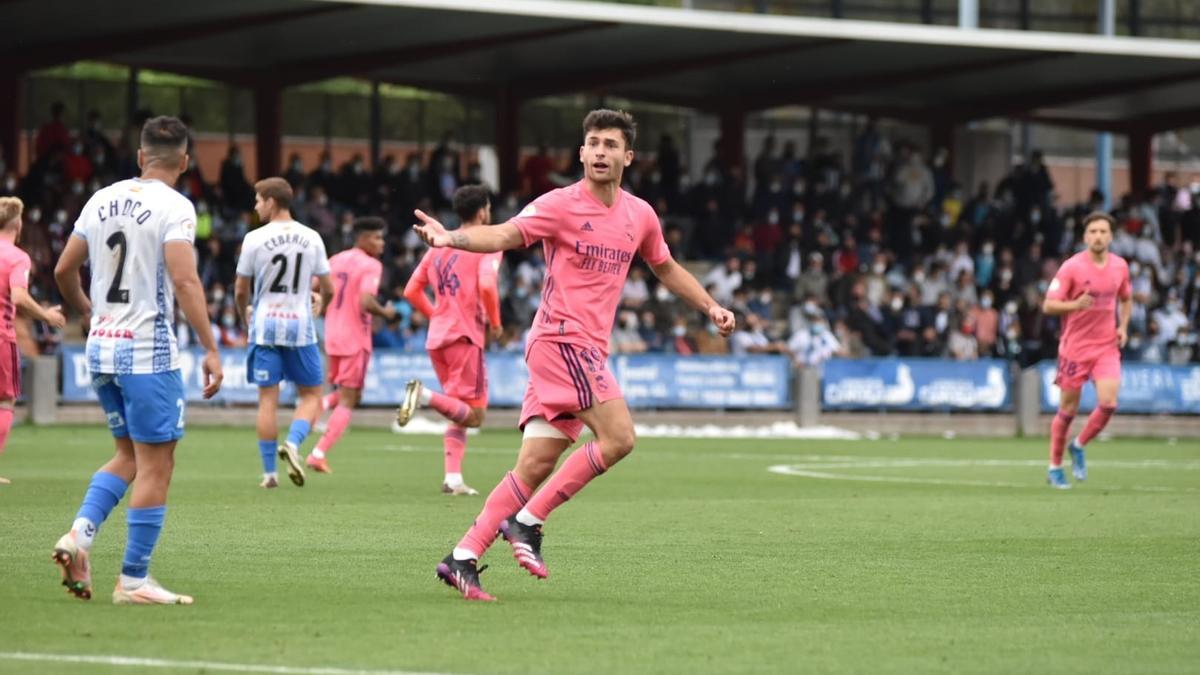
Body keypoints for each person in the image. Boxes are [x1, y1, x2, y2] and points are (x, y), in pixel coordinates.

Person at [412, 109, 735, 601]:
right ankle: (527, 523)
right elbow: (503, 234)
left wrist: (710, 305)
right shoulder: (559, 205)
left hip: (582, 349)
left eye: (610, 144)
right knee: (620, 438)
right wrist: (451, 238)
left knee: (535, 464)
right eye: (593, 143)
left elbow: (666, 268)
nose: (600, 152)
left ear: (628, 156)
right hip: (562, 342)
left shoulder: (639, 215)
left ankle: (462, 556)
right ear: (581, 152)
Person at [52, 116, 223, 604]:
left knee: (128, 455)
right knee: (156, 464)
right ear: (185, 162)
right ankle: (133, 580)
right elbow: (186, 281)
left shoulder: (101, 198)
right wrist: (211, 347)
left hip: (102, 347)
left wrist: (86, 310)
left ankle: (78, 539)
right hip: (148, 351)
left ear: (140, 157)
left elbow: (64, 268)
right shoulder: (177, 207)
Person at [397, 185, 502, 495]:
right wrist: (495, 324)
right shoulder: (486, 243)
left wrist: (437, 316)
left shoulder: (438, 246)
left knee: (459, 407)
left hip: (439, 337)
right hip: (465, 336)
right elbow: (486, 284)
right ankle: (424, 396)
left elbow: (411, 291)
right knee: (476, 414)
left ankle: (453, 479)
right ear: (483, 211)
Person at [234, 178, 333, 489]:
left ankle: (269, 475)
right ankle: (293, 443)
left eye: (258, 200)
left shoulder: (254, 238)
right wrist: (320, 303)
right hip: (300, 327)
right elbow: (328, 286)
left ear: (272, 202)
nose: (256, 206)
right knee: (312, 396)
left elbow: (240, 290)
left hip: (264, 326)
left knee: (267, 401)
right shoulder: (312, 237)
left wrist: (244, 317)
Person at [1041, 212, 1131, 489]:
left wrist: (1123, 326)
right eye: (1093, 231)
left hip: (1106, 346)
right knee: (1068, 409)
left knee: (1109, 403)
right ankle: (1055, 467)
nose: (1098, 236)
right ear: (1085, 236)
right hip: (1075, 348)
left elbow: (1126, 299)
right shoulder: (1071, 267)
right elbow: (1048, 305)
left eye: (1103, 231)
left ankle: (1078, 445)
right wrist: (1074, 305)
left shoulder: (1119, 267)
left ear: (1111, 236)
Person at [307, 217, 395, 474]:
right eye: (377, 237)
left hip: (333, 335)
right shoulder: (371, 265)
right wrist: (386, 313)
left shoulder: (336, 259)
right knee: (348, 399)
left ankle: (315, 411)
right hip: (355, 336)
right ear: (363, 238)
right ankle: (318, 453)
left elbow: (313, 288)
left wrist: (324, 308)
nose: (381, 242)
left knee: (352, 394)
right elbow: (366, 301)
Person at [0, 197, 66, 483]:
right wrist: (46, 316)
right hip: (2, 337)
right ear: (18, 223)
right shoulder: (17, 257)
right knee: (5, 401)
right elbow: (19, 296)